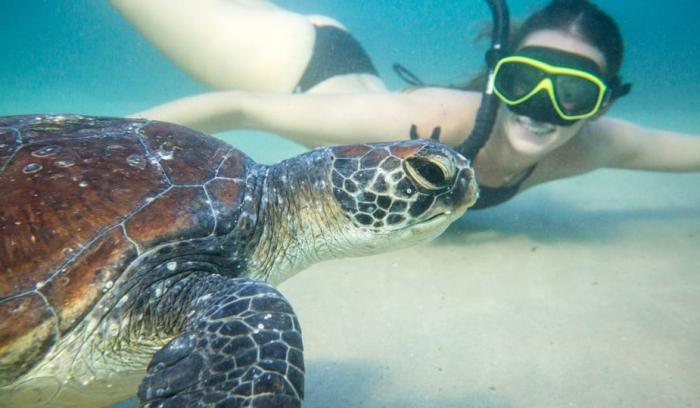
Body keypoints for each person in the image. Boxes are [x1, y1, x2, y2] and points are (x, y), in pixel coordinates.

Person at [109, 0, 700, 209]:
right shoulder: (421, 121)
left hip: (339, 72)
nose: (542, 107)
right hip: (296, 64)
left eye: (574, 93)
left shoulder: (598, 146)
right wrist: (62, 149)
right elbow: (240, 106)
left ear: (600, 106)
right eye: (524, 80)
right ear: (497, 76)